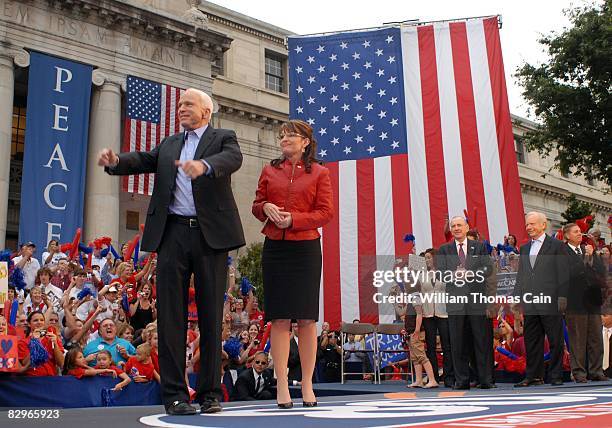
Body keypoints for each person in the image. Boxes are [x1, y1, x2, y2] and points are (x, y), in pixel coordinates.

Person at [98, 88, 245, 415]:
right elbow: (144, 160)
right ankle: (176, 396)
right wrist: (117, 162)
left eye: (188, 104)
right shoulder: (169, 144)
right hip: (172, 234)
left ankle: (210, 394)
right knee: (171, 319)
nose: (181, 108)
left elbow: (233, 159)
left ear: (206, 111)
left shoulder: (223, 137)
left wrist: (204, 166)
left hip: (210, 237)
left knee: (209, 317)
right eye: (180, 104)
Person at [252, 119, 334, 408]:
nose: (284, 139)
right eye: (282, 135)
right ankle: (283, 384)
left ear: (305, 142)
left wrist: (295, 220)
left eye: (291, 135)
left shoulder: (320, 173)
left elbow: (326, 213)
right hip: (275, 248)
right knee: (280, 318)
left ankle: (308, 383)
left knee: (307, 318)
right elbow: (256, 205)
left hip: (306, 249)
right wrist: (266, 208)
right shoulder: (269, 170)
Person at [436, 216, 494, 390]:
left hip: (476, 301)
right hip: (456, 303)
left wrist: (471, 273)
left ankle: (485, 380)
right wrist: (453, 275)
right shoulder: (445, 249)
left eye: (459, 225)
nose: (456, 228)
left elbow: (488, 268)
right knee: (458, 343)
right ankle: (462, 381)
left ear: (467, 227)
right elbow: (440, 273)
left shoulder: (480, 246)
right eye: (453, 226)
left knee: (481, 341)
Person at [512, 212, 569, 387]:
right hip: (531, 302)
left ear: (543, 225)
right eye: (527, 224)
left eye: (532, 224)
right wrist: (516, 298)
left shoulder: (557, 246)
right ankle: (534, 376)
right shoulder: (524, 248)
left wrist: (562, 296)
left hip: (551, 300)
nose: (529, 227)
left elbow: (564, 273)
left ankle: (556, 375)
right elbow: (522, 275)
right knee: (532, 340)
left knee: (555, 339)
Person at [563, 223, 607, 382]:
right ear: (567, 235)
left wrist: (593, 255)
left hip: (592, 300)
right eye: (575, 232)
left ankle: (596, 371)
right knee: (578, 339)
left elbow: (601, 271)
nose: (579, 234)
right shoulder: (563, 252)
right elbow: (570, 273)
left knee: (596, 337)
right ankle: (579, 373)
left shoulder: (587, 250)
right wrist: (585, 258)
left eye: (580, 232)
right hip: (575, 301)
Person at [421, 248, 454, 387]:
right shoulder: (422, 275)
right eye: (425, 258)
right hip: (428, 313)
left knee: (447, 346)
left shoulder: (444, 273)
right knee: (431, 347)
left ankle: (448, 377)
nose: (427, 260)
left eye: (429, 257)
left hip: (443, 312)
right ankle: (433, 377)